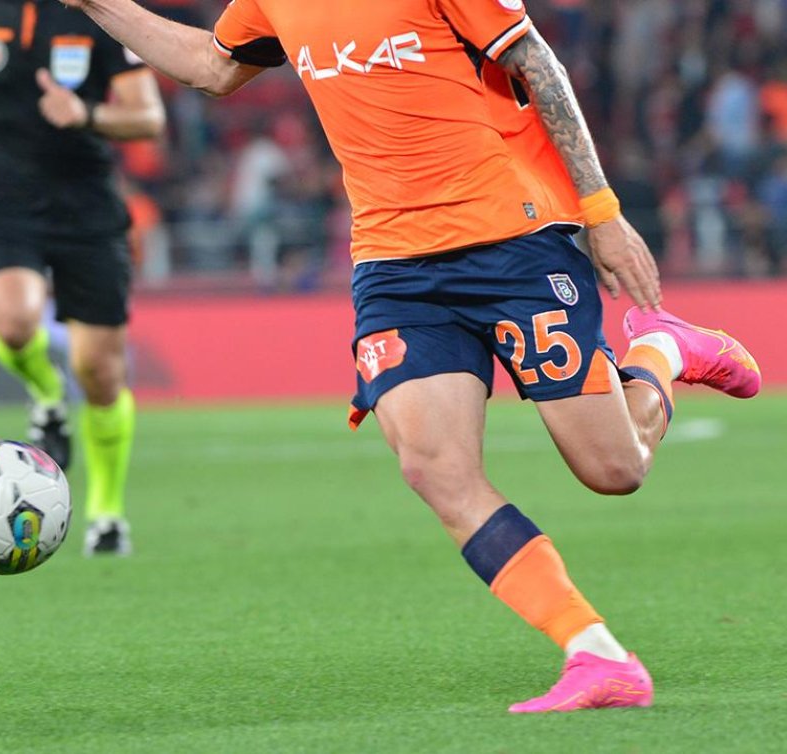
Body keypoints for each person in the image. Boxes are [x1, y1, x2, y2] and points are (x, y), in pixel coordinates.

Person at [58, 0, 762, 712]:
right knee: (433, 468)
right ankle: (596, 652)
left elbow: (538, 63)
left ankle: (663, 349)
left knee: (614, 469)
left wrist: (601, 211)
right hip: (394, 265)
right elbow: (213, 67)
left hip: (512, 241)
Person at [0, 0, 166, 556]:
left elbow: (148, 117)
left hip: (88, 208)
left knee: (99, 374)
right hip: (3, 204)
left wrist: (87, 114)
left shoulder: (100, 11)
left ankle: (106, 513)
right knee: (13, 320)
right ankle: (47, 396)